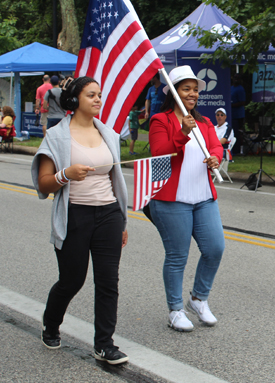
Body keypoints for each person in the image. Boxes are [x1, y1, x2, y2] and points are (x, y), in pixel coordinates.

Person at [31, 76, 129, 365]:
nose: (98, 99)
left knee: (108, 281)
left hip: (109, 213)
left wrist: (122, 222)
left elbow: (115, 180)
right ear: (74, 101)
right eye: (91, 95)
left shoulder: (108, 134)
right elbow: (44, 183)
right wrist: (66, 175)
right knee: (72, 280)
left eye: (99, 95)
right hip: (75, 214)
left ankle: (104, 345)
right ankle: (51, 323)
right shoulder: (57, 137)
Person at [149, 65, 225, 332]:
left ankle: (198, 298)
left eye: (195, 89)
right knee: (177, 256)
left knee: (215, 249)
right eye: (186, 89)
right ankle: (175, 309)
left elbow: (215, 146)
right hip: (172, 200)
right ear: (174, 92)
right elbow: (159, 152)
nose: (192, 94)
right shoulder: (161, 119)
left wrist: (217, 156)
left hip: (203, 197)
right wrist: (181, 132)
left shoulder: (204, 122)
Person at [230, 73, 246, 155]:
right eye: (234, 78)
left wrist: (232, 105)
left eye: (237, 78)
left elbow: (242, 102)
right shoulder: (231, 88)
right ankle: (233, 149)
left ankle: (239, 150)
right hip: (231, 114)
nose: (236, 79)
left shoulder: (240, 89)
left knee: (238, 132)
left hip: (238, 115)